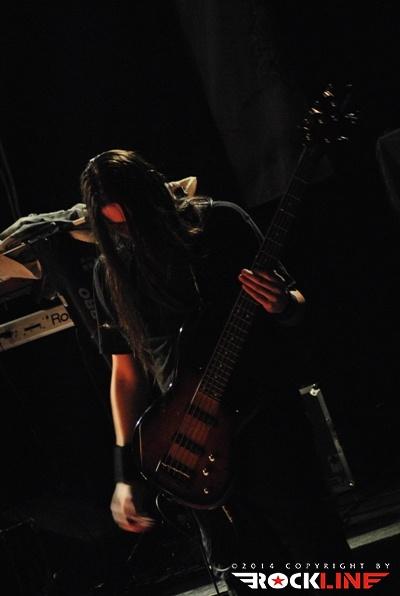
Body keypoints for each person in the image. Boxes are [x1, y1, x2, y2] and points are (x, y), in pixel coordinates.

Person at [81, 149, 350, 591]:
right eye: (118, 227)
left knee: (319, 551)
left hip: (263, 416)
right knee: (246, 572)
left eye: (135, 219)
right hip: (190, 436)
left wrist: (283, 303)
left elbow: (296, 302)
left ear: (153, 197)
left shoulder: (220, 223)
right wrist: (125, 474)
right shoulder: (109, 273)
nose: (131, 232)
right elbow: (126, 376)